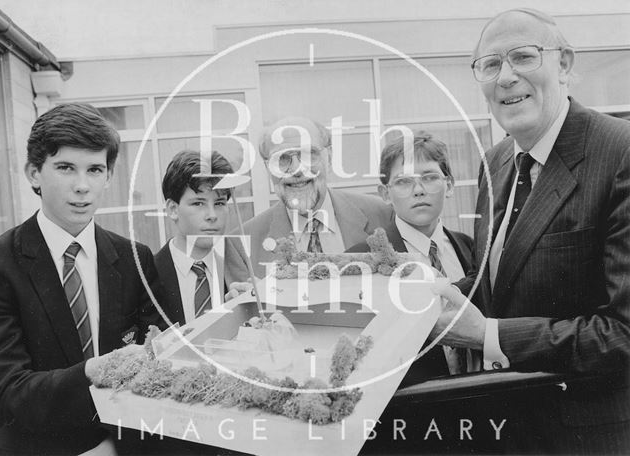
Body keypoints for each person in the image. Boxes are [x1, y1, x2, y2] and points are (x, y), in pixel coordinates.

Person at [431, 8, 630, 453]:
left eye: (523, 57)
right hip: (506, 431)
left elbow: (622, 335)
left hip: (586, 438)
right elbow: (500, 280)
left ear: (564, 64)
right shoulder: (497, 162)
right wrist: (423, 298)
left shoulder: (620, 155)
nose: (506, 77)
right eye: (490, 64)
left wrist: (489, 336)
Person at [0, 103, 164, 455]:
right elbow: (2, 392)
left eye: (95, 169)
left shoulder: (136, 259)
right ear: (34, 173)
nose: (83, 186)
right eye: (66, 168)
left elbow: (157, 369)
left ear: (109, 176)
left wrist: (115, 446)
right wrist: (91, 372)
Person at [348, 131, 474, 382]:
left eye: (429, 177)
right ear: (385, 193)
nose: (418, 190)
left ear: (449, 185)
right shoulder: (363, 260)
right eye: (404, 182)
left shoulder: (470, 247)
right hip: (408, 403)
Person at [239, 116, 393, 277]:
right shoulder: (243, 245)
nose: (297, 169)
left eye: (307, 154)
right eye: (282, 159)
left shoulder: (383, 216)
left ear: (330, 157)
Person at [154, 149, 251, 326]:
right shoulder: (147, 275)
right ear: (173, 209)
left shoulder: (246, 267)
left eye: (220, 203)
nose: (212, 215)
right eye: (199, 203)